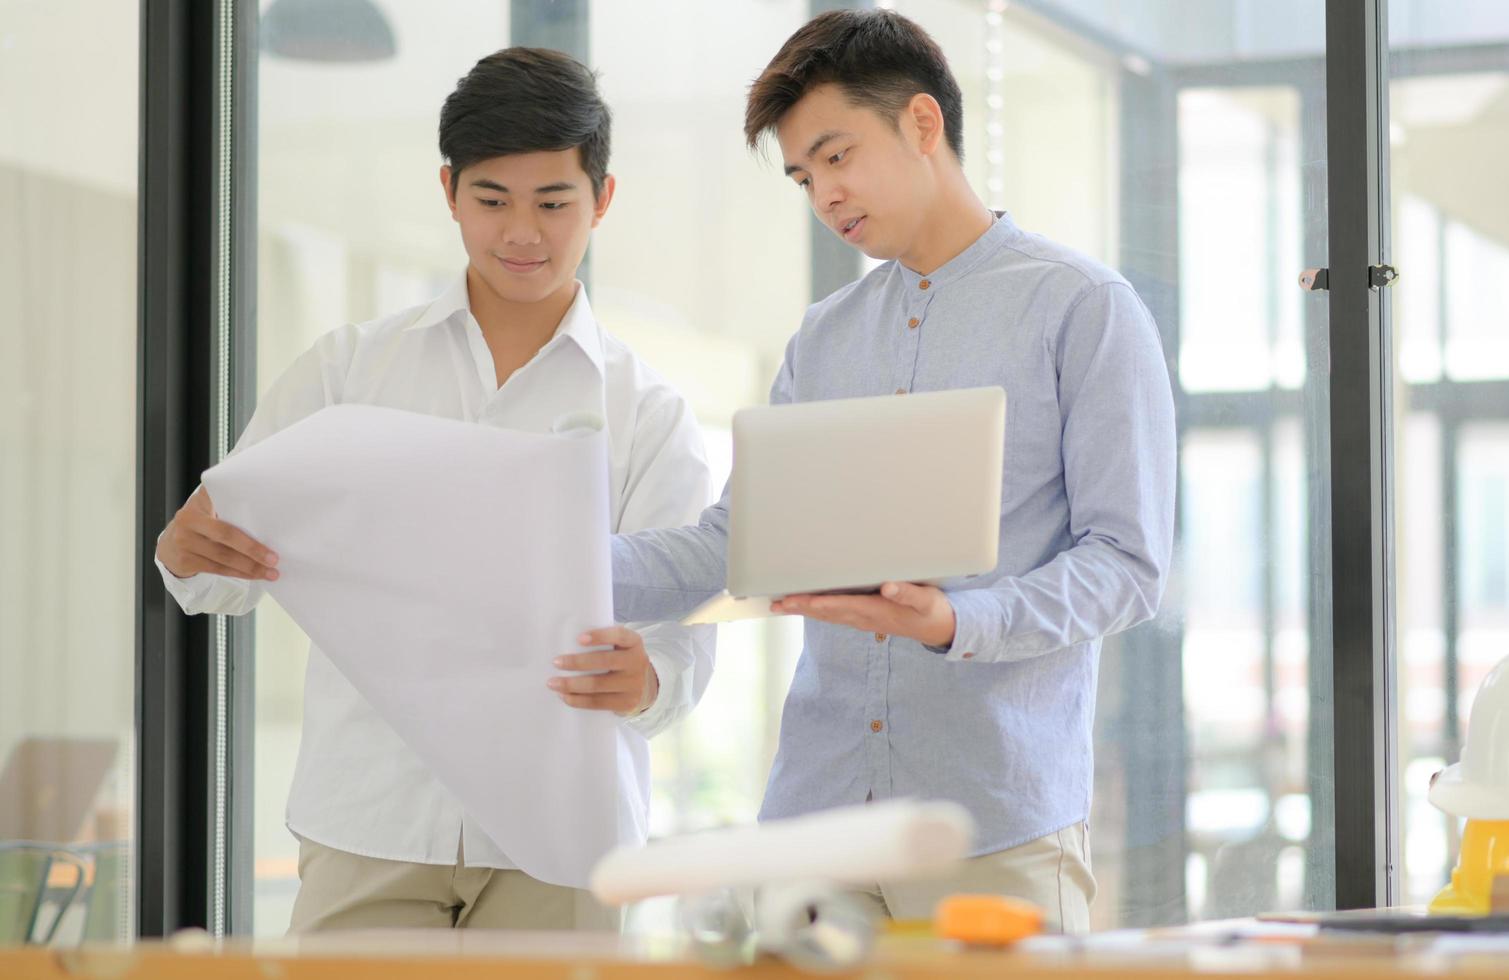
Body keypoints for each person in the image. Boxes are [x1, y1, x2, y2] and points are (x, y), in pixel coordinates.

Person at [608, 9, 1175, 932]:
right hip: (812, 833)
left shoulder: (1082, 308)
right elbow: (731, 545)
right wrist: (555, 561)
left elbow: (1126, 563)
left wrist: (958, 620)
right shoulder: (823, 339)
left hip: (990, 826)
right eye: (802, 177)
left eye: (837, 156)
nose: (823, 195)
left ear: (921, 123)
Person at [154, 47, 714, 932]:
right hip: (369, 821)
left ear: (601, 200)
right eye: (491, 201)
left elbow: (684, 638)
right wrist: (182, 552)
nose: (522, 233)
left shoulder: (648, 411)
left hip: (562, 837)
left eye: (554, 202)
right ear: (448, 191)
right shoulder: (349, 368)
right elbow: (220, 571)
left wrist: (647, 679)